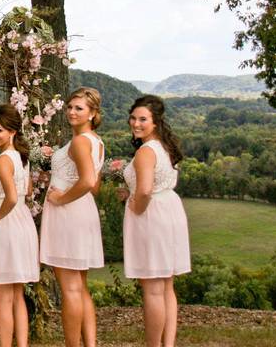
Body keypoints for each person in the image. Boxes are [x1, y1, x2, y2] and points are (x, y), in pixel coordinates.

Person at [120, 95, 190, 347]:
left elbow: (146, 190)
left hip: (152, 216)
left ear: (156, 122)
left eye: (143, 119)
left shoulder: (146, 152)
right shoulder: (163, 147)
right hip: (170, 210)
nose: (136, 124)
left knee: (152, 288)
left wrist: (135, 207)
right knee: (166, 285)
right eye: (133, 118)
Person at [39, 87, 105, 347]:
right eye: (70, 107)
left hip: (68, 214)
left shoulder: (79, 142)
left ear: (93, 113)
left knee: (70, 290)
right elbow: (95, 185)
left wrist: (59, 198)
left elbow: (88, 181)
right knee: (80, 287)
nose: (72, 112)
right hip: (84, 211)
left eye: (79, 108)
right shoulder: (96, 142)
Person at [0, 104, 40, 347]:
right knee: (16, 294)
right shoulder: (20, 157)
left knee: (4, 295)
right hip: (22, 222)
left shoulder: (3, 160)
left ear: (13, 132)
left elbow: (12, 197)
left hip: (7, 224)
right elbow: (26, 190)